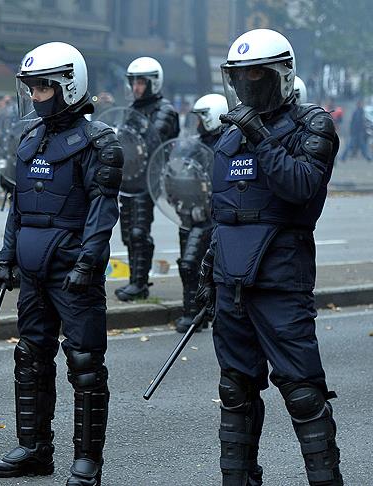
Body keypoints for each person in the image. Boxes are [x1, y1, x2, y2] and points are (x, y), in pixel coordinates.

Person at [199, 28, 343, 484]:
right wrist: (210, 265)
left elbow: (301, 187)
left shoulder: (313, 125)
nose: (247, 86)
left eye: (257, 75)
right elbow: (224, 211)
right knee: (235, 390)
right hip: (231, 283)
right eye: (239, 77)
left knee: (302, 392)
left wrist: (260, 136)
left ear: (282, 74)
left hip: (282, 278)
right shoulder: (228, 137)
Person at [0, 42, 122, 485]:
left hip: (73, 272)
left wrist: (88, 263)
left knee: (84, 363)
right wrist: (7, 258)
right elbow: (18, 207)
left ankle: (88, 461)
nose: (34, 95)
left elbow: (104, 212)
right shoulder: (29, 138)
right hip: (32, 270)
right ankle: (33, 448)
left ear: (68, 86)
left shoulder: (98, 141)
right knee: (29, 357)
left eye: (42, 87)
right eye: (30, 87)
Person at [114, 56, 179, 301]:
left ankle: (140, 284)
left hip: (148, 181)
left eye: (141, 82)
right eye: (133, 82)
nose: (136, 88)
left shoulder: (165, 110)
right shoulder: (132, 110)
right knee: (129, 233)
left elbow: (152, 139)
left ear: (153, 83)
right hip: (129, 178)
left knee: (140, 231)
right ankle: (134, 280)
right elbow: (123, 140)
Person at [172, 93, 227, 333]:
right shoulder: (194, 146)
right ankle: (194, 313)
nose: (197, 124)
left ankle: (202, 313)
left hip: (211, 217)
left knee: (202, 266)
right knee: (188, 265)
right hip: (190, 213)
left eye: (201, 118)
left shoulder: (227, 144)